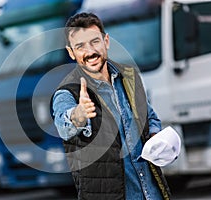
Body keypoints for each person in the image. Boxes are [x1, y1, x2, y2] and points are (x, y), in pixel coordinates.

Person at [51, 12, 171, 200]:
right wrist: (79, 114)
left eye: (94, 42)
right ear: (71, 53)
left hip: (153, 194)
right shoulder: (68, 93)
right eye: (80, 46)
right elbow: (63, 125)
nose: (90, 51)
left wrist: (156, 139)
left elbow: (151, 118)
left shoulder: (129, 77)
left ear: (106, 41)